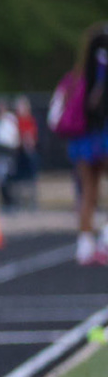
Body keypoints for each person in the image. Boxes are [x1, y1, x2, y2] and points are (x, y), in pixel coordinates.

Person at [57, 25, 108, 265]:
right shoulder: (101, 72)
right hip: (102, 138)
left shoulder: (75, 76)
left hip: (82, 141)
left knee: (87, 192)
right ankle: (105, 238)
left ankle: (85, 245)